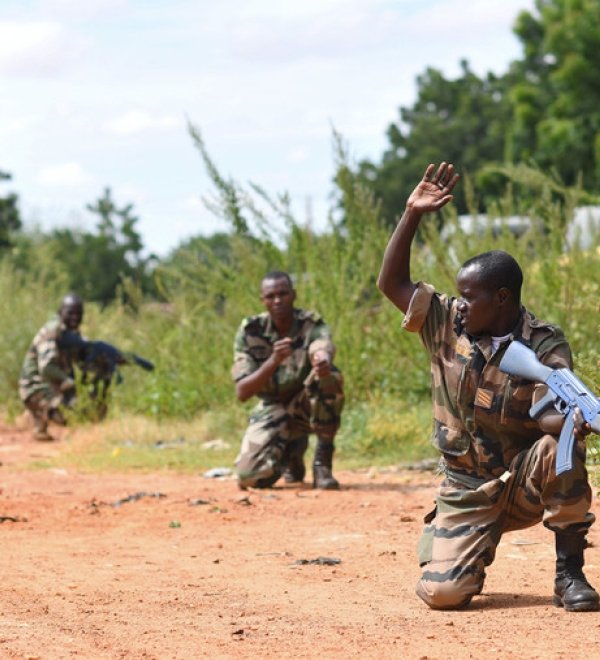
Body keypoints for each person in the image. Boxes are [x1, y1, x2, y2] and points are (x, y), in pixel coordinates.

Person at [377, 162, 598, 612]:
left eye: (470, 296)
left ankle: (569, 572)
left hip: (520, 481)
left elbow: (547, 414)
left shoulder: (543, 344)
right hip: (464, 487)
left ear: (502, 298)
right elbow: (391, 282)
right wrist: (412, 213)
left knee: (562, 442)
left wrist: (575, 422)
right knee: (444, 595)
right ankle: (459, 540)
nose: (460, 304)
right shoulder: (445, 321)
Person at [232, 271, 344, 490]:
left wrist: (323, 359)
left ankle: (323, 464)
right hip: (272, 408)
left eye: (283, 294)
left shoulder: (310, 323)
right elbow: (242, 391)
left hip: (306, 402)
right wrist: (273, 360)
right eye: (271, 296)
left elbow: (322, 344)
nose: (277, 300)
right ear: (262, 300)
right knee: (248, 477)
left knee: (331, 376)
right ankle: (290, 454)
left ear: (293, 295)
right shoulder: (250, 330)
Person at [19, 294, 84, 441]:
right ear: (61, 312)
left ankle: (38, 419)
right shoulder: (52, 332)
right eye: (70, 312)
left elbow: (79, 359)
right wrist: (66, 380)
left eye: (79, 313)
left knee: (79, 409)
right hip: (34, 387)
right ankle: (36, 414)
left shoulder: (70, 333)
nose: (75, 317)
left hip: (50, 386)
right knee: (68, 415)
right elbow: (46, 367)